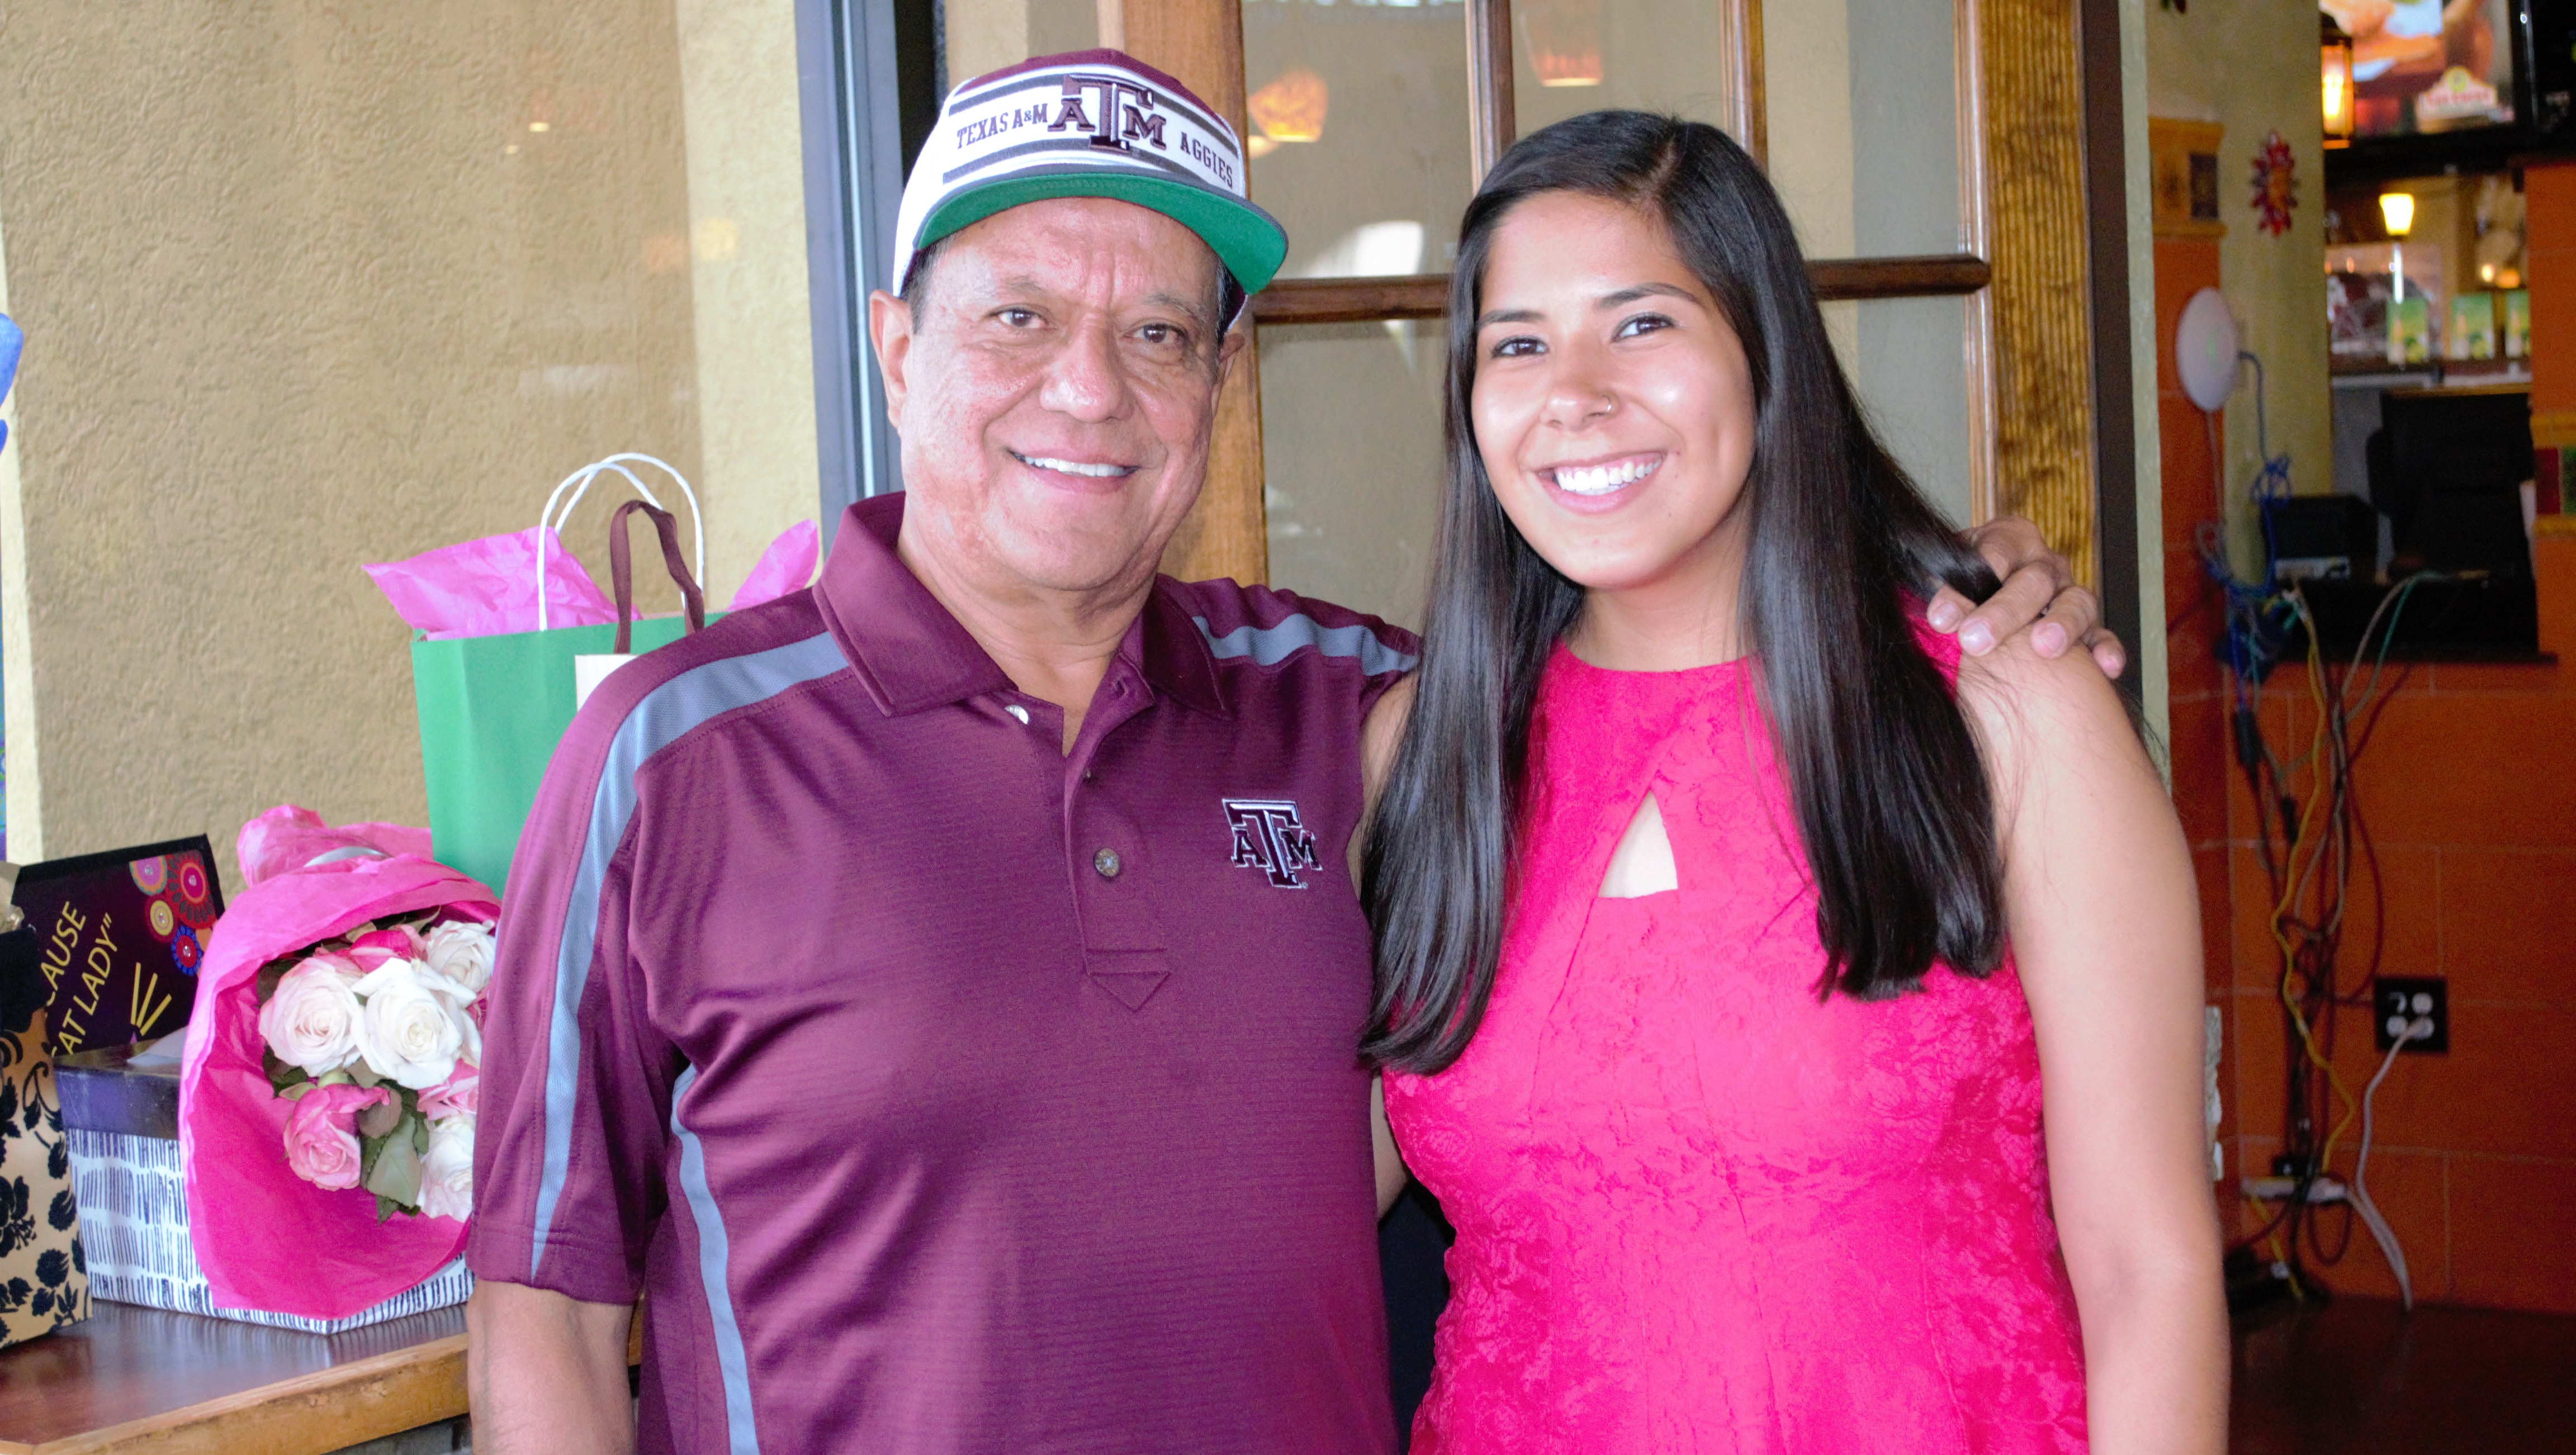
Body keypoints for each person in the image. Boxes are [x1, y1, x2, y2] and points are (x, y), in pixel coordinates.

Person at [464, 53, 2118, 1455]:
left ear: (1222, 379)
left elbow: (1669, 662)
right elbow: (544, 1306)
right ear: (899, 348)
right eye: (1018, 316)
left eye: (1160, 334)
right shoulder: (671, 758)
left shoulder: (1363, 716)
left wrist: (1954, 599)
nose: (1088, 390)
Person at [1363, 113, 2226, 1452]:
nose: (1575, 393)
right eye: (1517, 345)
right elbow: (1284, 1222)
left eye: (1642, 324)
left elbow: (2147, 1272)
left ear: (1766, 354)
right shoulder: (1420, 752)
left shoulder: (2005, 712)